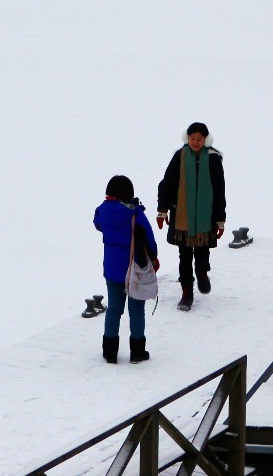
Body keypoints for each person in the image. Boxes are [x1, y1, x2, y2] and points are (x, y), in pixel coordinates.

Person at [155, 122, 226, 312]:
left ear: (206, 140)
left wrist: (220, 219)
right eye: (192, 138)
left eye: (199, 139)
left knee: (202, 253)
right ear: (187, 138)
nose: (195, 142)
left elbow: (219, 190)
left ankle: (202, 273)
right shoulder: (179, 156)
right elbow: (167, 184)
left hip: (206, 217)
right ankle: (187, 294)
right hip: (182, 217)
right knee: (184, 257)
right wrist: (162, 210)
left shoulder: (213, 159)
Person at [92, 173, 156, 364]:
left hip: (112, 268)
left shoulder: (102, 211)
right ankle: (137, 352)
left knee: (113, 309)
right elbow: (149, 239)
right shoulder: (135, 213)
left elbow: (98, 225)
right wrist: (153, 257)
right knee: (136, 311)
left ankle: (110, 352)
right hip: (134, 268)